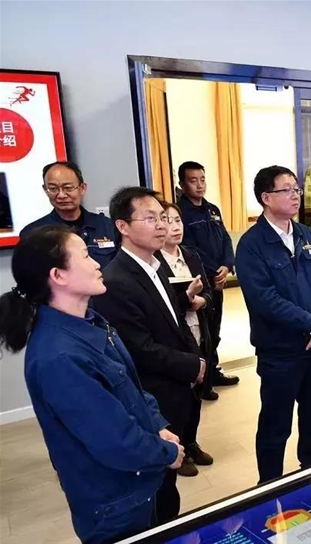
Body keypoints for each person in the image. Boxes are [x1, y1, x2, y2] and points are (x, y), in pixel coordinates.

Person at [0, 225, 184, 544]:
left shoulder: (91, 322)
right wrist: (167, 453)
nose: (97, 262)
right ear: (58, 276)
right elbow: (115, 441)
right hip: (116, 504)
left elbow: (129, 386)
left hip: (140, 485)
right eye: (85, 256)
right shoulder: (59, 357)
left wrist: (156, 425)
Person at [92, 187, 207, 520]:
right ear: (123, 226)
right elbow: (138, 349)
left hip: (176, 387)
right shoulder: (116, 280)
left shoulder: (155, 266)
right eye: (150, 218)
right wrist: (192, 365)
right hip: (152, 394)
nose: (161, 225)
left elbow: (175, 321)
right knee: (158, 487)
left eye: (163, 218)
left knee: (169, 484)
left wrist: (198, 359)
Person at [235, 165, 311, 484]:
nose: (296, 195)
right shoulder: (252, 244)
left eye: (297, 189)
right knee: (275, 424)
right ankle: (268, 485)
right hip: (280, 352)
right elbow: (264, 299)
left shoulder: (306, 235)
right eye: (287, 190)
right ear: (266, 198)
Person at [155, 202, 216, 477]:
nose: (175, 227)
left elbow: (210, 292)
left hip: (199, 333)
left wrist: (202, 300)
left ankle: (191, 442)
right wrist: (186, 297)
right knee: (177, 398)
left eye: (178, 220)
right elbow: (161, 307)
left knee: (196, 396)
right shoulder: (155, 262)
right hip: (175, 340)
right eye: (167, 221)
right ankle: (177, 448)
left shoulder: (191, 255)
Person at [177, 161, 239, 394]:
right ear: (182, 184)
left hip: (217, 280)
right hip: (200, 281)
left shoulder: (212, 209)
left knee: (215, 329)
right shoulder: (181, 213)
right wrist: (214, 272)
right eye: (193, 181)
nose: (199, 185)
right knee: (202, 332)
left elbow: (225, 240)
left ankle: (213, 371)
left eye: (202, 179)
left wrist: (227, 265)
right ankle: (202, 381)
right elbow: (189, 248)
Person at [20, 161, 118, 267]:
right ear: (45, 190)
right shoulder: (33, 234)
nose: (61, 195)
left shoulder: (108, 226)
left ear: (82, 188)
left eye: (68, 188)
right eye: (53, 189)